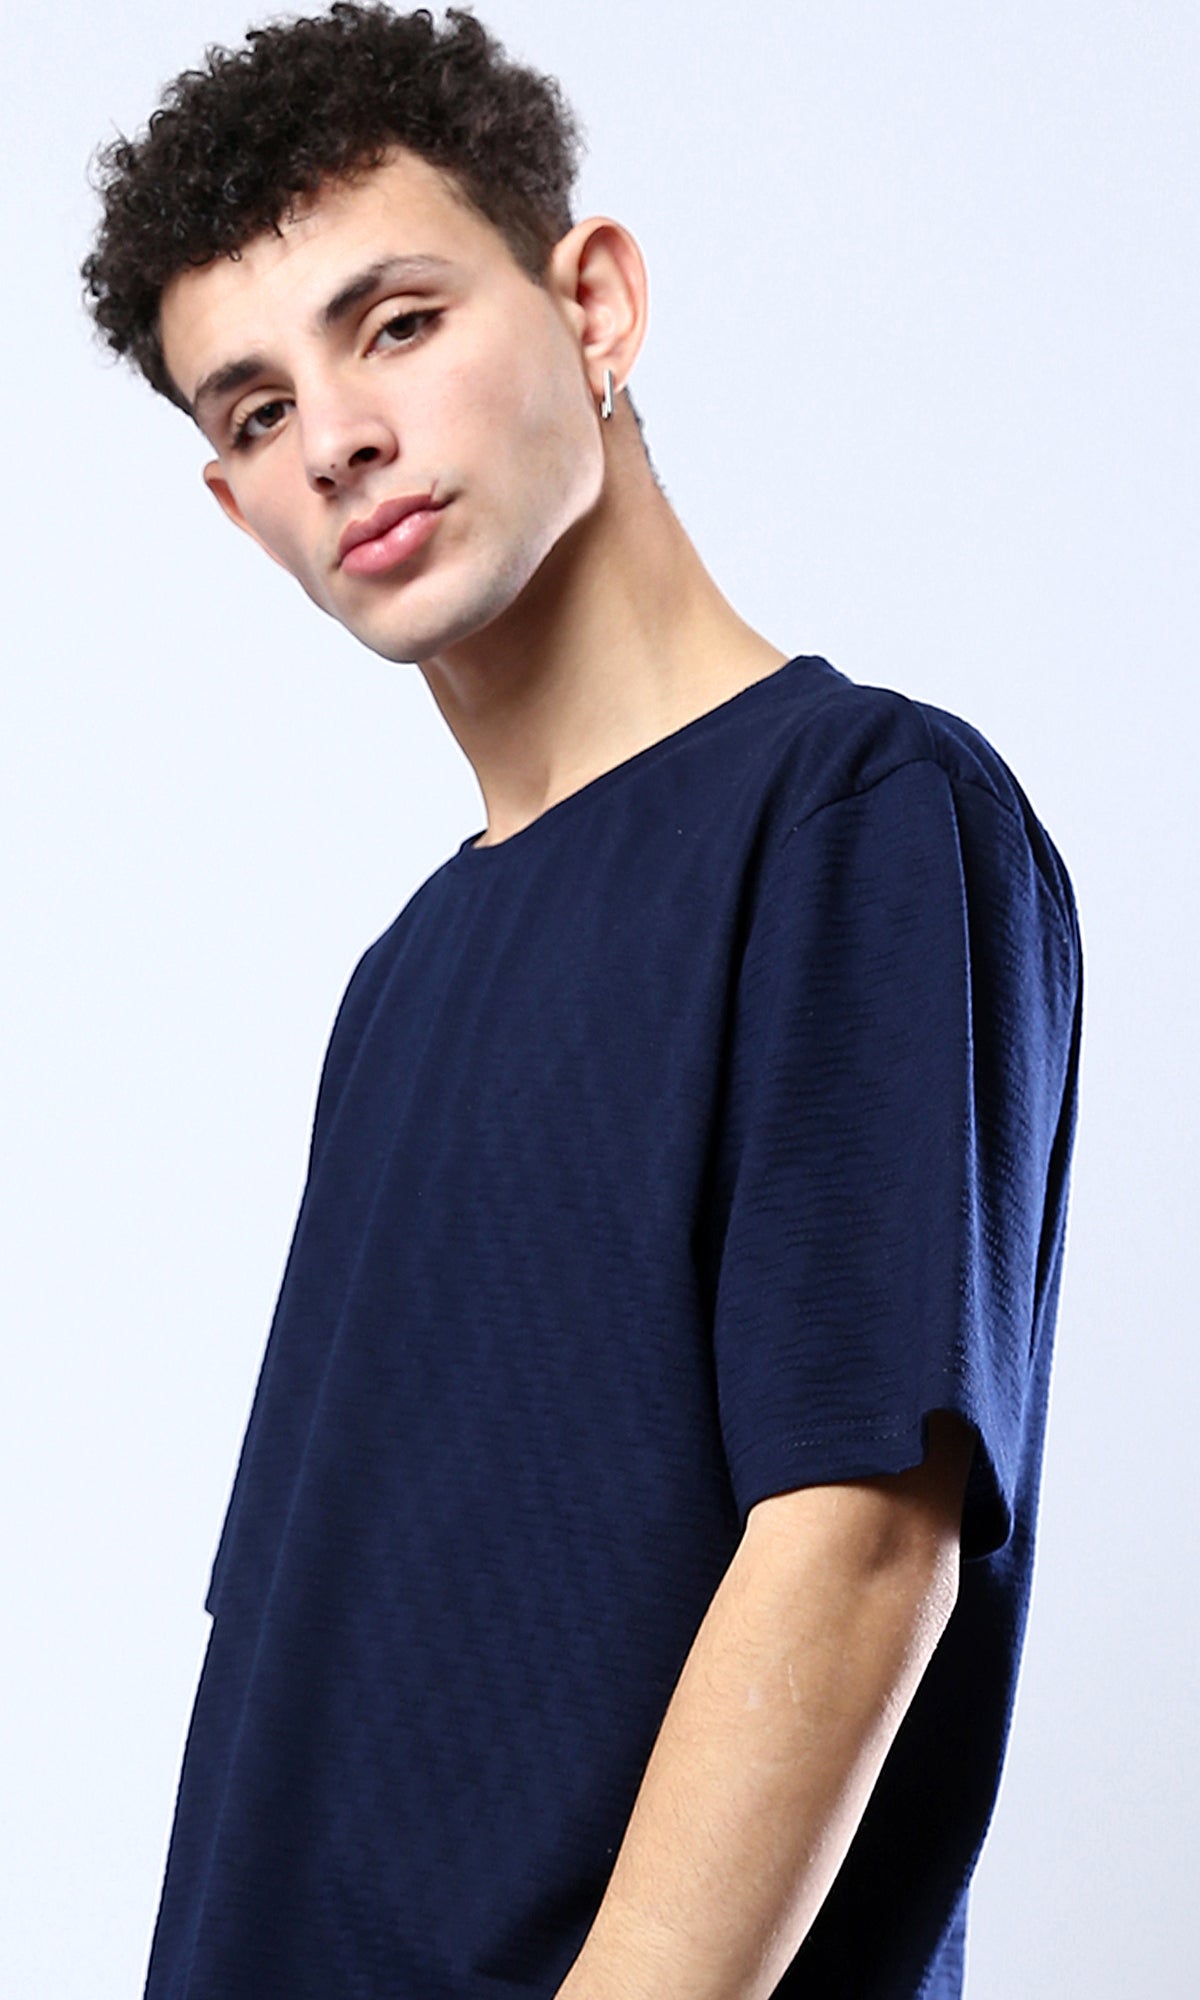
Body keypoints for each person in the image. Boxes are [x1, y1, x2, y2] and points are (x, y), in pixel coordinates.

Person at [82, 6, 1083, 1997]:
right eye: (255, 411)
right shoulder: (401, 982)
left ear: (595, 302)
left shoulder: (861, 813)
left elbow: (855, 1539)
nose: (336, 439)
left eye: (394, 325)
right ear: (231, 502)